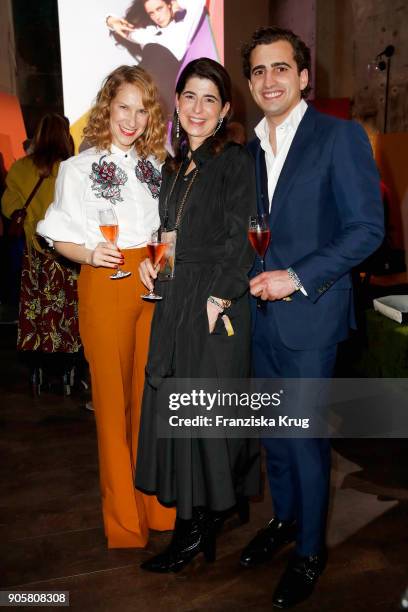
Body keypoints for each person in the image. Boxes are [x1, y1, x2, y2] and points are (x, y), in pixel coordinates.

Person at [240, 27, 384, 608]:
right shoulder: (246, 149)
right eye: (257, 71)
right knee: (274, 436)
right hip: (259, 318)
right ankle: (285, 522)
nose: (268, 80)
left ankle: (310, 552)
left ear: (303, 76)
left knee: (303, 438)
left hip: (311, 315)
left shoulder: (339, 136)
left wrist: (296, 276)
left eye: (280, 68)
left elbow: (367, 229)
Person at [37, 65, 175, 548]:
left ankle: (159, 510)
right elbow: (53, 232)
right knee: (113, 409)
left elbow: (168, 232)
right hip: (104, 283)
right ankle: (125, 522)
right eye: (123, 108)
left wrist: (162, 258)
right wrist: (90, 252)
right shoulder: (77, 168)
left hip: (150, 288)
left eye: (141, 110)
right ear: (107, 108)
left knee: (151, 403)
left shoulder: (158, 165)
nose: (132, 119)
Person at [136, 57, 260, 572]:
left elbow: (245, 239)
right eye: (189, 96)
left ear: (225, 108)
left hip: (214, 304)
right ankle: (200, 523)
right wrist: (155, 267)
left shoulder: (234, 162)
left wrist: (220, 298)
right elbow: (173, 236)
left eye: (210, 98)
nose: (198, 108)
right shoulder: (174, 167)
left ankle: (195, 529)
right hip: (177, 298)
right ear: (177, 103)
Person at [1, 113, 79, 392]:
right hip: (66, 255)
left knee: (36, 312)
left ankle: (37, 370)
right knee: (67, 313)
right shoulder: (71, 168)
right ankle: (69, 369)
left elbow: (9, 205)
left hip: (34, 255)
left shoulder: (21, 168)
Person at [106, 0, 206, 115]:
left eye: (159, 9)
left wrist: (177, 3)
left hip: (163, 86)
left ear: (169, 5)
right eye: (151, 13)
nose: (157, 16)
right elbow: (118, 27)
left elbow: (198, 2)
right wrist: (110, 20)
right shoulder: (148, 33)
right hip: (141, 82)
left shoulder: (184, 26)